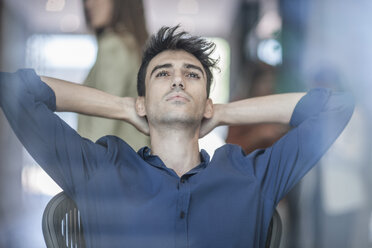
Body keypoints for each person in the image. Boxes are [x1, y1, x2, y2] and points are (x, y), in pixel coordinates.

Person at [0, 26, 354, 247]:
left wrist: (225, 112)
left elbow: (336, 107)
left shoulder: (252, 177)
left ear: (206, 102)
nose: (178, 80)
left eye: (192, 75)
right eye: (163, 74)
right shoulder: (101, 168)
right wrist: (123, 106)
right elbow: (15, 89)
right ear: (143, 100)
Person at [79, 0, 149, 150]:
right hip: (130, 162)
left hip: (110, 165)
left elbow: (103, 115)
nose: (88, 5)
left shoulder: (113, 46)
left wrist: (84, 166)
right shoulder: (131, 45)